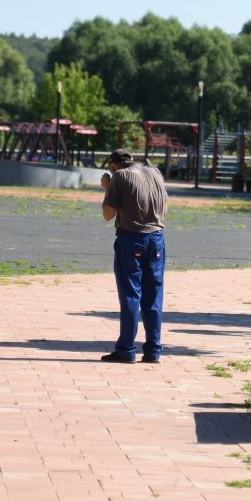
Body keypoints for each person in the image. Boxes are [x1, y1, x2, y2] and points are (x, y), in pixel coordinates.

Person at [100, 147, 168, 364]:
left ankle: (126, 349)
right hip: (157, 238)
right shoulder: (155, 172)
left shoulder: (119, 177)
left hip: (131, 239)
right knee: (153, 296)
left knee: (131, 295)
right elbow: (164, 208)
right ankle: (153, 350)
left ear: (114, 165)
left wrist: (108, 188)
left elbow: (108, 215)